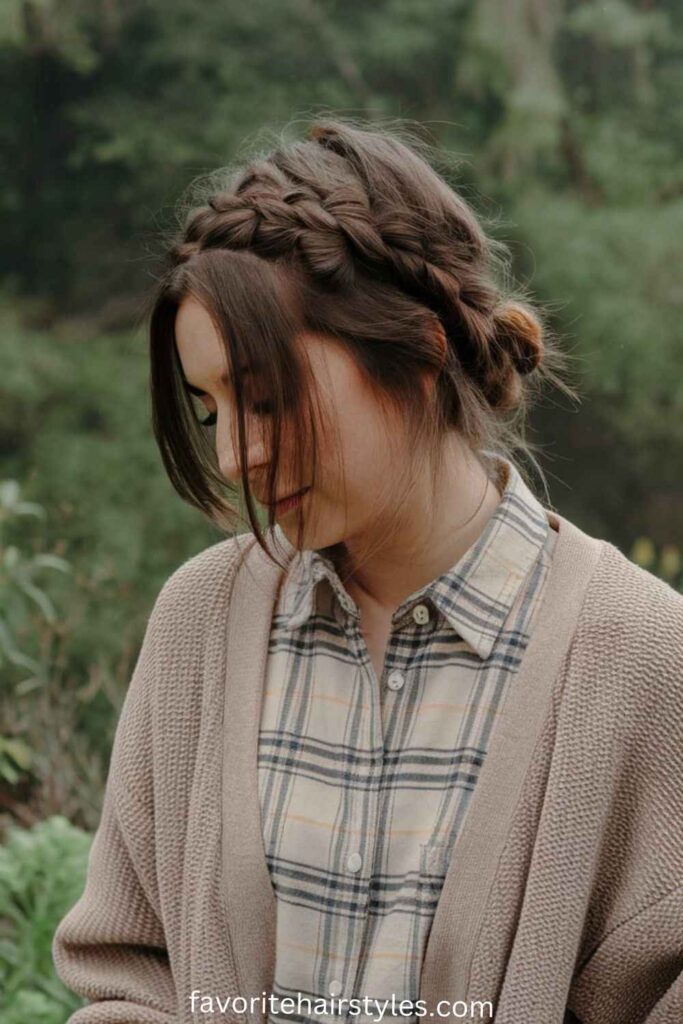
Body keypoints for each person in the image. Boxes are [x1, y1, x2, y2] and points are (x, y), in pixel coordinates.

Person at [52, 118, 683, 1024]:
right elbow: (129, 974)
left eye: (267, 399)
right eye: (210, 410)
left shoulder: (643, 660)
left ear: (419, 353)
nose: (235, 456)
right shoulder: (201, 619)